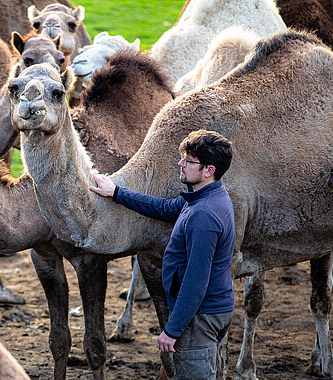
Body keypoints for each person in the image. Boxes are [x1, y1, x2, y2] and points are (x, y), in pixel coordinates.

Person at [89, 129, 235, 380]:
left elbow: (196, 281)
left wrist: (172, 330)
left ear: (209, 170)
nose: (181, 164)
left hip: (199, 318)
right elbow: (165, 208)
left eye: (189, 162)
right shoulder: (203, 197)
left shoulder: (204, 215)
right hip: (206, 313)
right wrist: (116, 193)